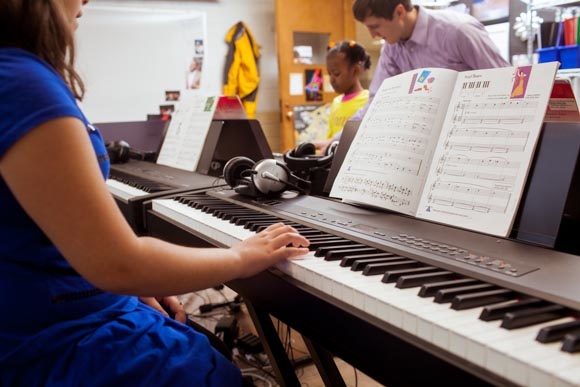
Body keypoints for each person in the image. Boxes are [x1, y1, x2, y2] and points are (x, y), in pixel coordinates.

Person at [0, 1, 309, 386]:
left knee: (203, 340)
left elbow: (62, 248)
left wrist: (127, 291)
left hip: (64, 314)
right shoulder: (22, 83)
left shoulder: (15, 75)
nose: (85, 2)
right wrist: (242, 256)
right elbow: (118, 263)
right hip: (54, 342)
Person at [328, 0, 510, 144]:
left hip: (477, 135)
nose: (372, 35)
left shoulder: (458, 31)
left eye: (375, 26)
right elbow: (378, 102)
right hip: (432, 140)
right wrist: (337, 140)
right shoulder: (392, 48)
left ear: (399, 12)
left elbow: (507, 81)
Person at [314, 40, 371, 151]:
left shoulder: (368, 100)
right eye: (329, 74)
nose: (331, 79)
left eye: (336, 73)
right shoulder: (336, 102)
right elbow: (330, 137)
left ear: (355, 71)